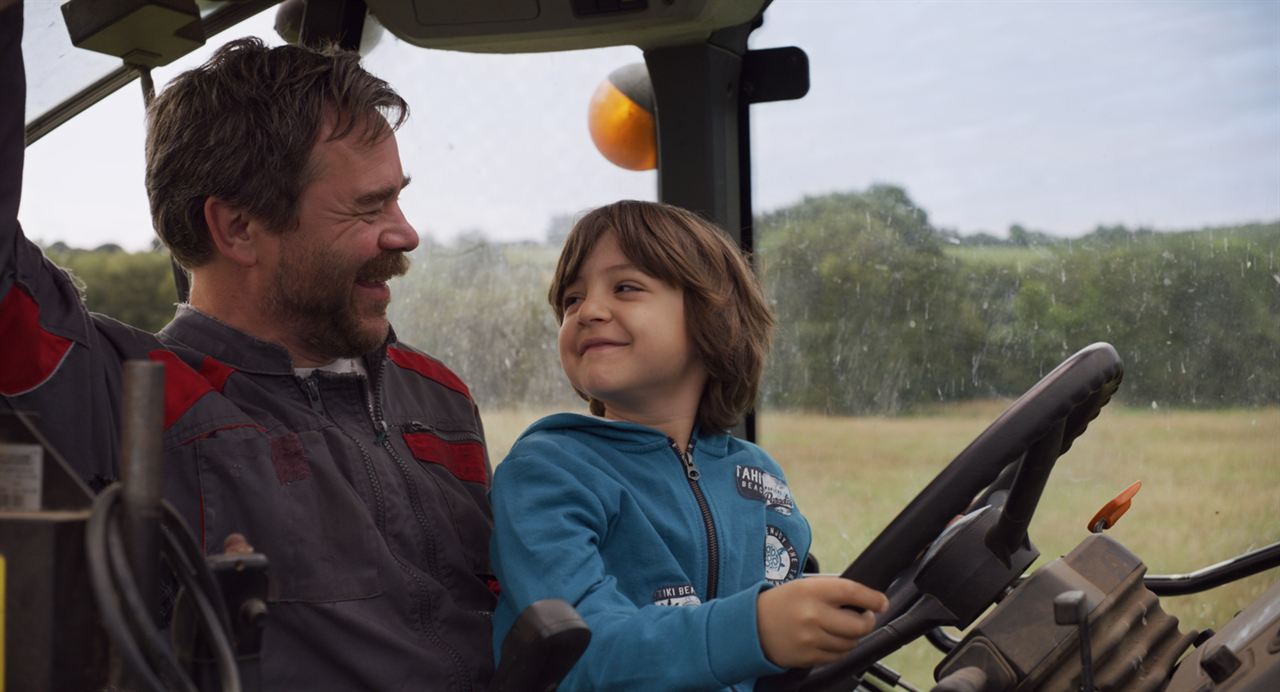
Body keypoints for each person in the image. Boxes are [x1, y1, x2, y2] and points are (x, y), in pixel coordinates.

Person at [1, 4, 495, 689]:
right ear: (238, 228)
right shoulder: (123, 396)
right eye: (368, 208)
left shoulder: (438, 395)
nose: (406, 234)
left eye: (398, 200)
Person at [489, 200, 889, 690]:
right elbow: (581, 653)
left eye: (625, 288)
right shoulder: (548, 473)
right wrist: (754, 628)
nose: (587, 311)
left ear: (711, 317)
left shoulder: (757, 478)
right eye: (571, 300)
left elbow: (787, 607)